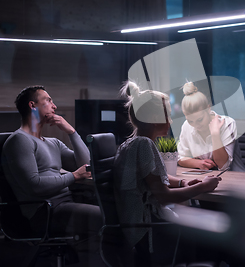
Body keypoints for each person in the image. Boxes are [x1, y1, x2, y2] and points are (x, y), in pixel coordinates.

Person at [113, 81, 222, 261]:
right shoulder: (145, 145)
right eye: (168, 116)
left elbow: (152, 177)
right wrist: (203, 187)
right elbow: (164, 196)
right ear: (155, 119)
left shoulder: (130, 143)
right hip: (148, 229)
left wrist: (182, 182)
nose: (171, 121)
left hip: (136, 225)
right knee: (217, 237)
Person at [2, 86, 101, 240]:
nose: (54, 106)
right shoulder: (19, 140)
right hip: (45, 212)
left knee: (113, 213)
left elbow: (86, 165)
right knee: (106, 219)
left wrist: (71, 132)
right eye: (48, 100)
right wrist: (74, 176)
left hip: (64, 204)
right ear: (32, 105)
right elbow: (34, 185)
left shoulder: (53, 142)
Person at [177, 81, 245, 172]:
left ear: (208, 108)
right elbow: (181, 158)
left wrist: (215, 134)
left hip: (234, 178)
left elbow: (223, 166)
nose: (196, 125)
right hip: (204, 177)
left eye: (200, 119)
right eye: (191, 121)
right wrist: (198, 163)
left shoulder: (228, 123)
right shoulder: (186, 126)